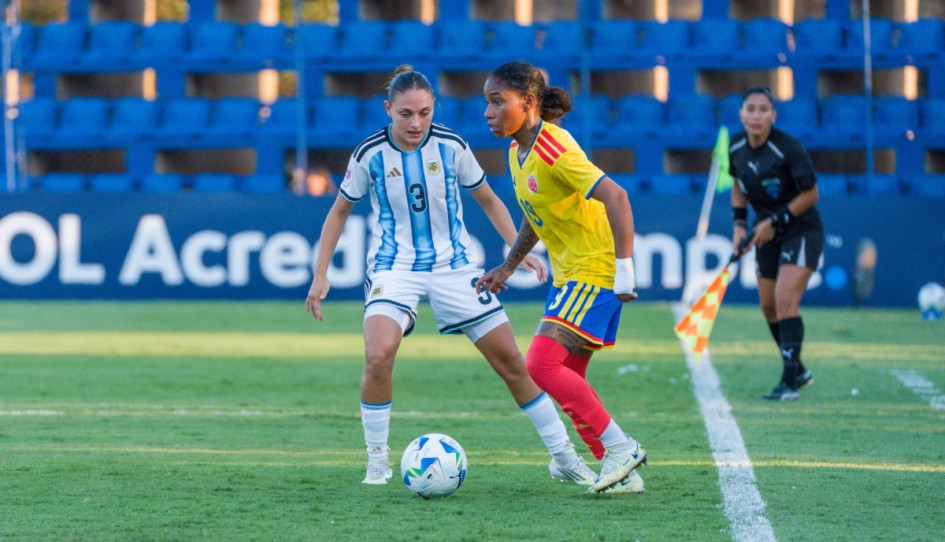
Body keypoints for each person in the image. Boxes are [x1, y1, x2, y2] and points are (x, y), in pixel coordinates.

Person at [305, 65, 598, 487]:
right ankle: (377, 461)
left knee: (513, 363)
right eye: (406, 114)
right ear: (388, 109)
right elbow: (338, 211)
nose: (416, 123)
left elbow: (489, 199)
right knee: (378, 354)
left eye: (424, 113)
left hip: (455, 267)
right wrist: (320, 274)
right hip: (395, 268)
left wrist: (518, 253)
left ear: (433, 108)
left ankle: (564, 457)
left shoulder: (452, 146)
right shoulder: (370, 153)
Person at [477, 61, 647, 494]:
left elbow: (616, 196)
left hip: (595, 267)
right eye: (487, 102)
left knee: (540, 364)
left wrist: (624, 270)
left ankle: (621, 447)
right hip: (571, 272)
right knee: (565, 373)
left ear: (527, 102)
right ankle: (620, 472)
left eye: (497, 101)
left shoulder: (553, 148)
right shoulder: (517, 151)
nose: (488, 112)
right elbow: (537, 216)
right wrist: (509, 265)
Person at [729, 86, 823, 401]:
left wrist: (775, 222)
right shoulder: (735, 146)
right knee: (768, 307)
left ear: (773, 115)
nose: (757, 115)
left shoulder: (789, 147)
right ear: (741, 114)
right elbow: (738, 186)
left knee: (785, 301)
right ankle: (800, 371)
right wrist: (739, 226)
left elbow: (811, 194)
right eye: (751, 109)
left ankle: (789, 382)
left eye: (763, 109)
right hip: (765, 230)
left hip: (801, 229)